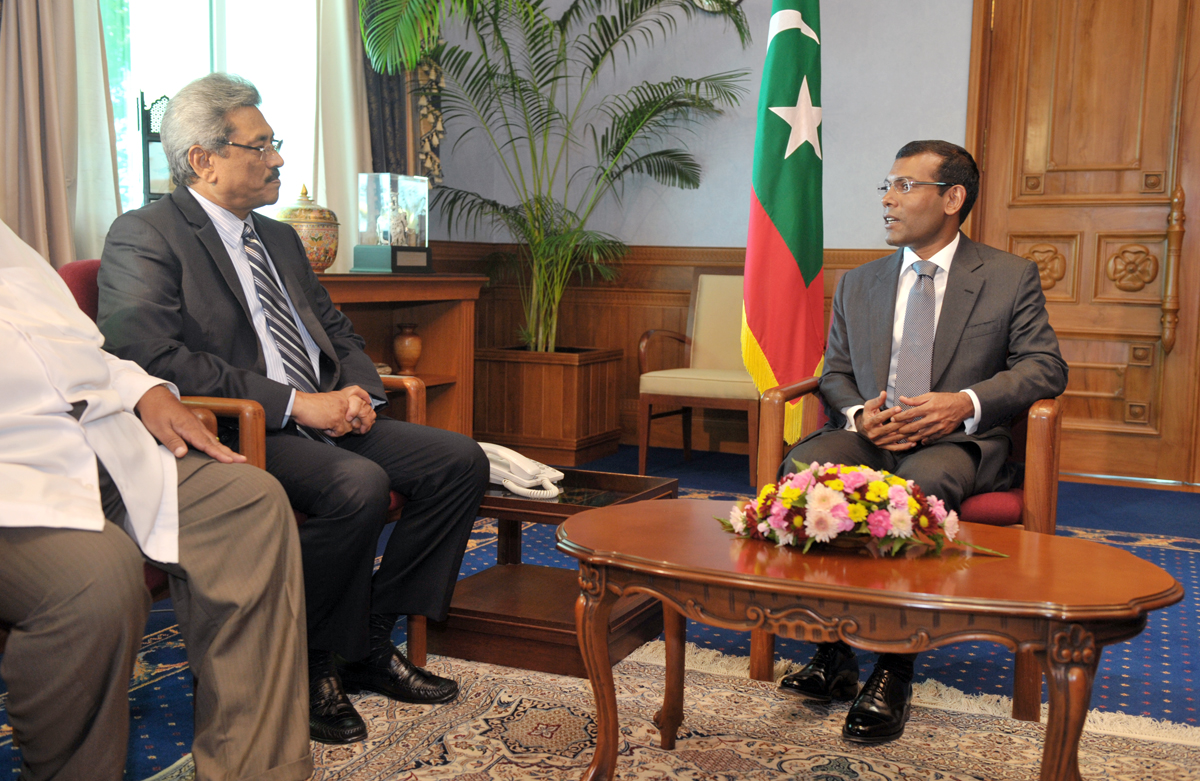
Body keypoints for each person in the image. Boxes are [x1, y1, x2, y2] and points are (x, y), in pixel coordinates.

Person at [96, 73, 490, 745]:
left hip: (324, 416)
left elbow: (336, 331)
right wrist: (297, 405)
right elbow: (151, 356)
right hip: (240, 427)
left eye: (274, 144)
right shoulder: (145, 235)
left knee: (460, 461)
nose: (278, 158)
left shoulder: (277, 239)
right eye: (262, 145)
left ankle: (365, 641)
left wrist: (361, 395)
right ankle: (306, 662)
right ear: (203, 158)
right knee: (355, 486)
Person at [775, 141, 1068, 744]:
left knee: (919, 487)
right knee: (805, 465)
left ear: (953, 198)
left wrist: (965, 403)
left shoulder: (1009, 277)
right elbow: (834, 372)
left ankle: (894, 664)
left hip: (954, 443)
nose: (887, 198)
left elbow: (1045, 368)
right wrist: (859, 413)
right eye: (887, 184)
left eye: (905, 185)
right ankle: (833, 651)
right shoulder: (860, 282)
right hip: (874, 436)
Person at [0, 219, 311, 781]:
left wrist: (145, 389)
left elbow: (76, 349)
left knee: (251, 504)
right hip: (15, 480)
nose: (276, 160)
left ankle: (257, 769)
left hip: (102, 442)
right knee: (94, 578)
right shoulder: (147, 233)